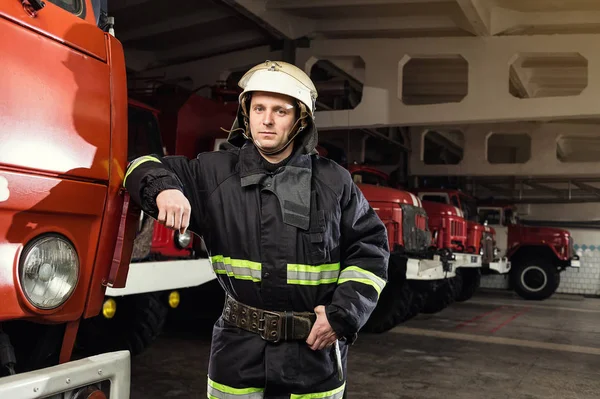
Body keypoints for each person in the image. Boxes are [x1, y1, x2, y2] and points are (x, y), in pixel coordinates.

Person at [123, 60, 390, 398]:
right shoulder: (215, 174)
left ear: (300, 120)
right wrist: (165, 188)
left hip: (314, 358)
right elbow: (139, 165)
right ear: (246, 114)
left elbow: (371, 249)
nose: (266, 120)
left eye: (280, 111)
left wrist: (343, 315)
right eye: (259, 107)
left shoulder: (334, 181)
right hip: (238, 354)